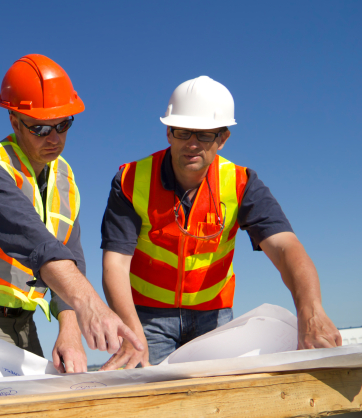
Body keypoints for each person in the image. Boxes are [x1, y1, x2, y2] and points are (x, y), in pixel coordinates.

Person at [100, 76, 341, 369]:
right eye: (182, 131)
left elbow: (285, 247)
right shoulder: (129, 180)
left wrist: (311, 311)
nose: (191, 144)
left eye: (204, 135)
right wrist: (130, 329)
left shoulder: (242, 183)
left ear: (223, 139)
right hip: (146, 317)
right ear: (168, 132)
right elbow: (115, 263)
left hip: (213, 316)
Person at [0, 54, 142, 385]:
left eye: (63, 124)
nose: (54, 137)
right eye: (40, 127)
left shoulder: (64, 178)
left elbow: (69, 256)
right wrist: (91, 305)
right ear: (15, 122)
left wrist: (69, 328)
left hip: (22, 320)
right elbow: (38, 245)